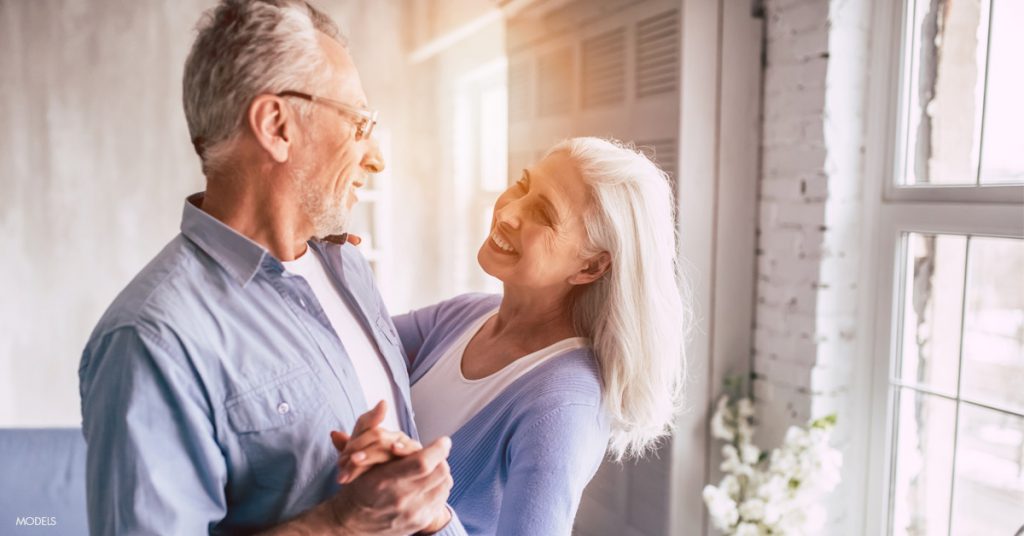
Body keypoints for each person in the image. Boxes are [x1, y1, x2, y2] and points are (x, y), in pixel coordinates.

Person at [78, 1, 464, 534]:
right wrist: (344, 523)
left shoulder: (348, 267)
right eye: (359, 122)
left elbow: (393, 492)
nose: (376, 157)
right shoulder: (151, 340)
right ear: (277, 125)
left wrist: (422, 503)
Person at [334, 137, 688, 535]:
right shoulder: (466, 314)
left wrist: (432, 518)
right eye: (522, 185)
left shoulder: (563, 405)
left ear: (590, 267)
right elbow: (343, 348)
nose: (509, 212)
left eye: (544, 212)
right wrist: (332, 267)